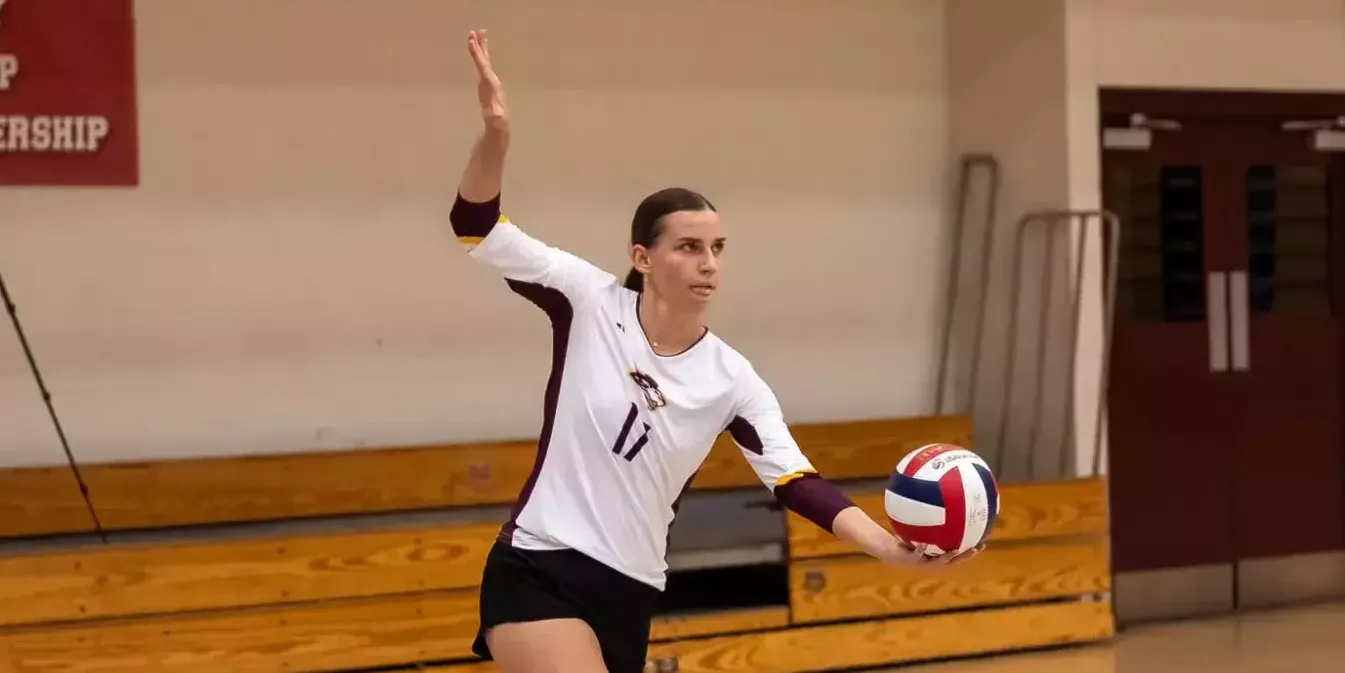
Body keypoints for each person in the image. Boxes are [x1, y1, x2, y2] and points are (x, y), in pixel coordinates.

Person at [451, 29, 982, 673]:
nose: (707, 264)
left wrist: (885, 546)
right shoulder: (587, 302)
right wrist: (497, 137)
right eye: (688, 247)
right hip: (538, 566)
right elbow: (476, 224)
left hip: (631, 588)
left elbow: (796, 481)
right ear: (642, 258)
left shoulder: (732, 378)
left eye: (718, 249)